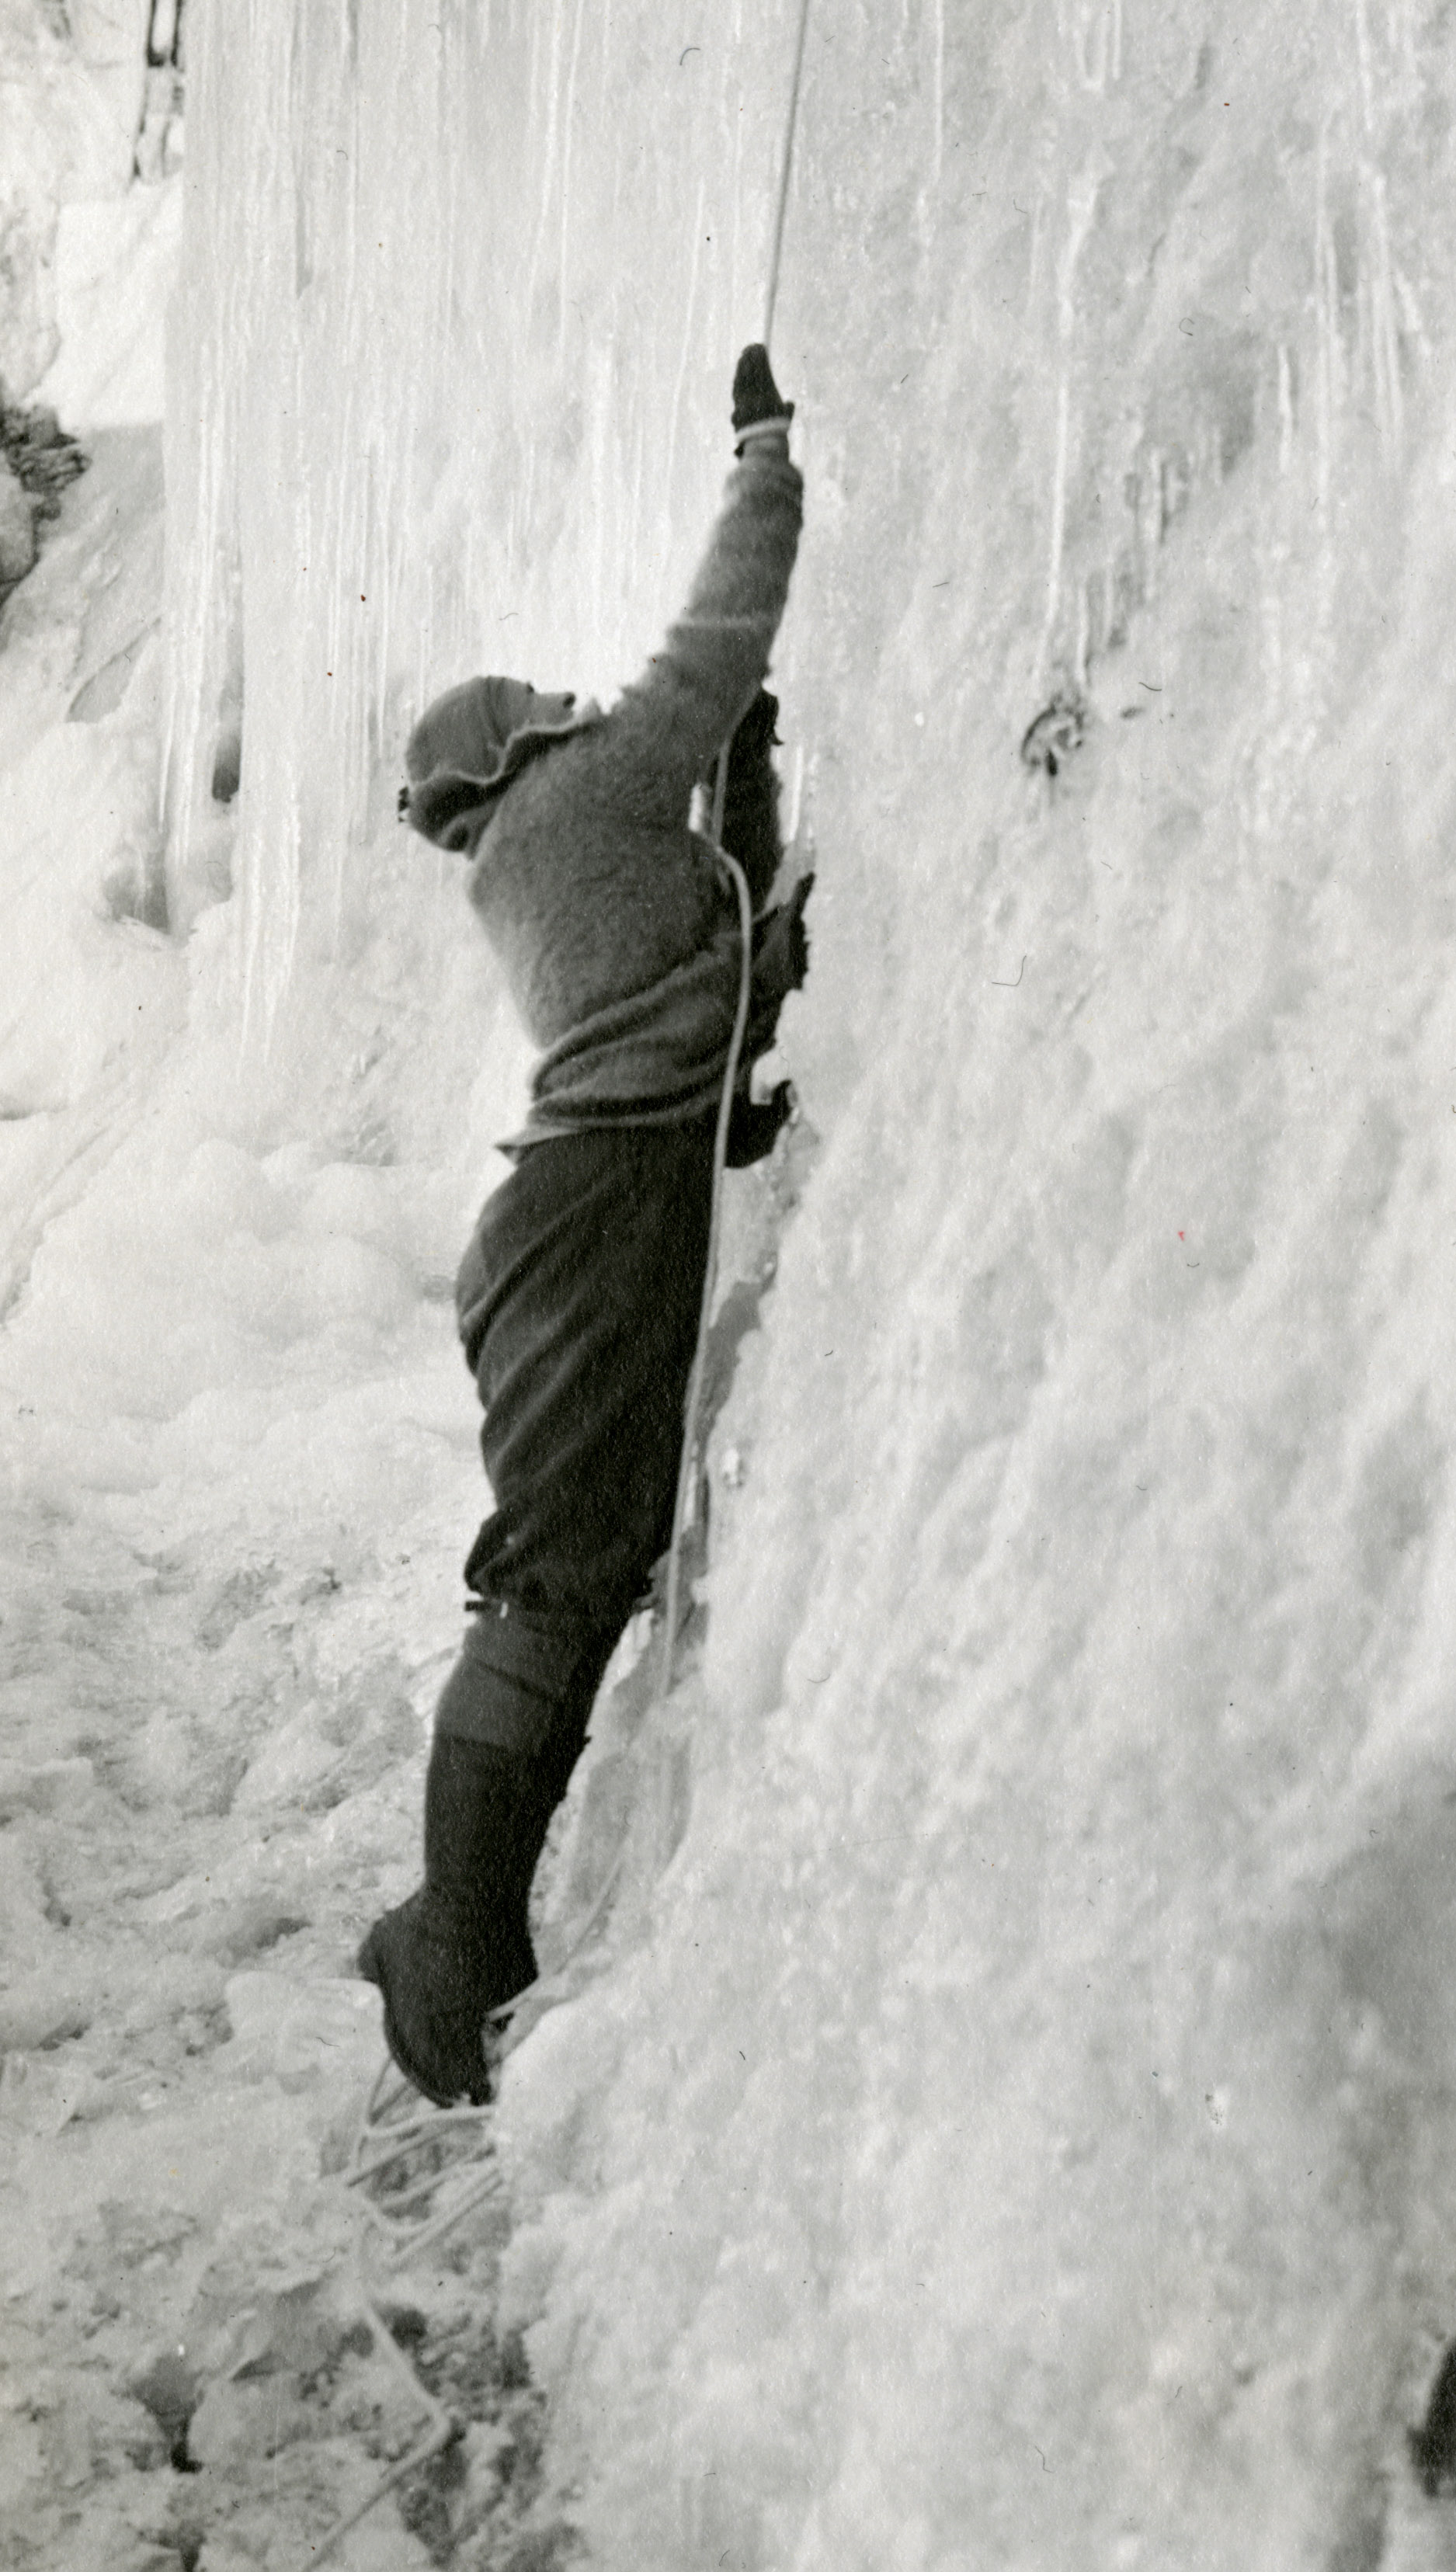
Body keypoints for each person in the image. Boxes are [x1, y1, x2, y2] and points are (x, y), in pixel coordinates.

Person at [356, 344, 811, 2105]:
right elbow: (724, 627)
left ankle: (463, 1917)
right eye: (548, 694)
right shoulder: (590, 789)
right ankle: (447, 1936)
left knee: (568, 1557)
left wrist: (752, 788)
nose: (573, 696)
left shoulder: (540, 858)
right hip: (597, 1198)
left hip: (564, 1216)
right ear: (522, 741)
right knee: (565, 1570)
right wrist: (762, 448)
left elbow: (719, 947)